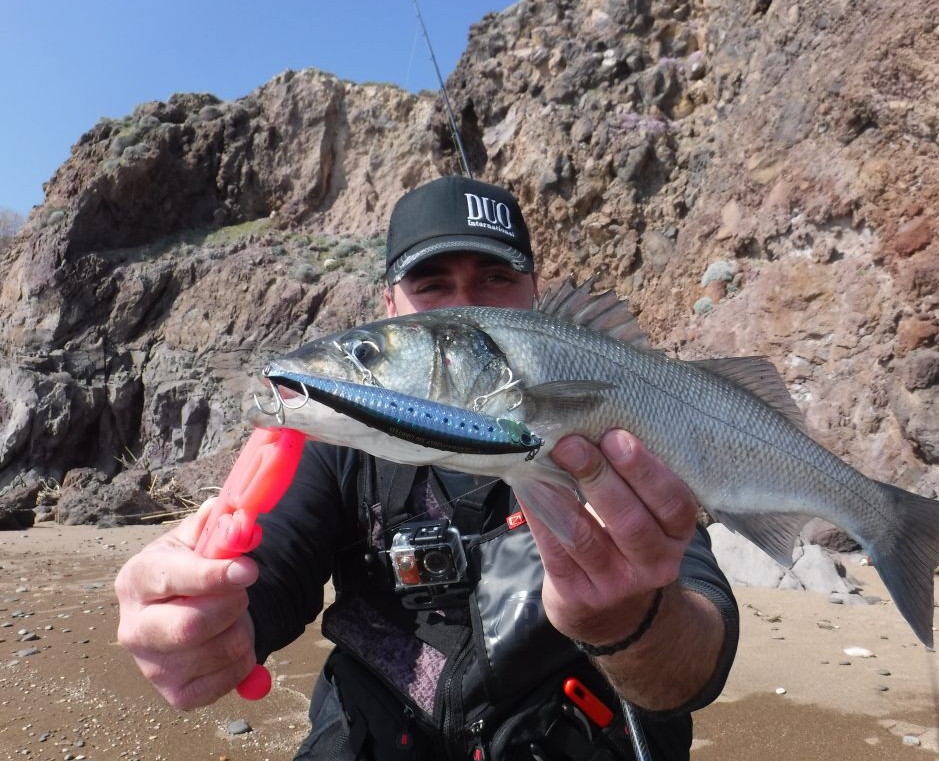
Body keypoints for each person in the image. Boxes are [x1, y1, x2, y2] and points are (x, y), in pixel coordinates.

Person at [116, 175, 740, 760]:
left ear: (535, 296)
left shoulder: (612, 432)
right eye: (432, 286)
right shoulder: (337, 441)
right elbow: (267, 569)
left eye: (496, 279)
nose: (463, 310)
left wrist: (635, 626)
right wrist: (205, 615)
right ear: (390, 305)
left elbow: (699, 648)